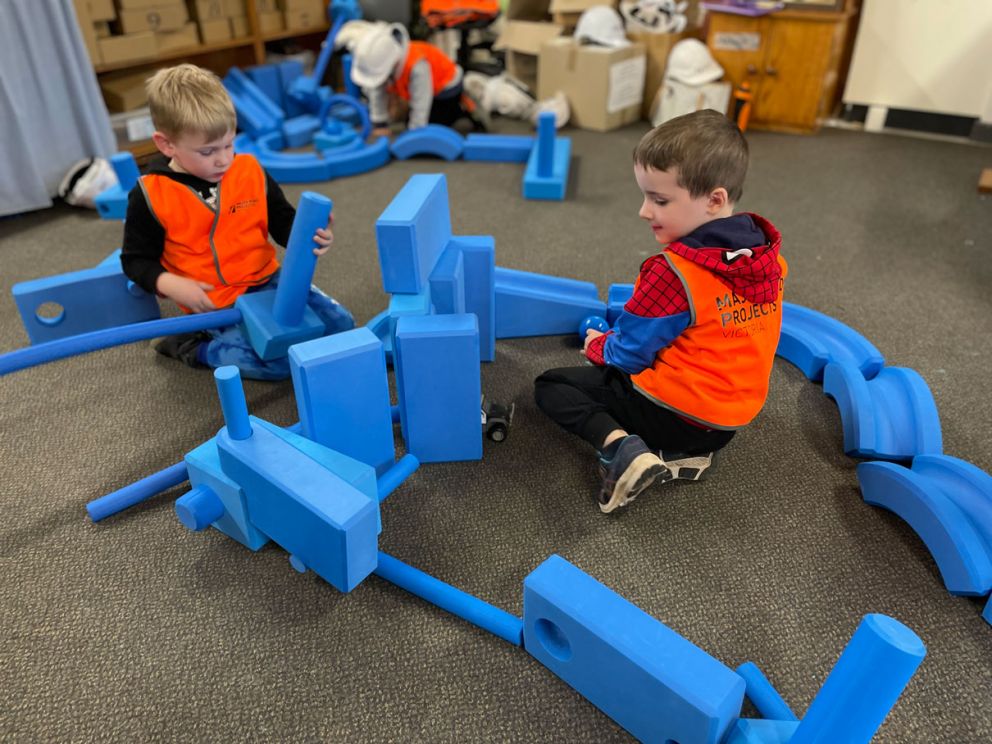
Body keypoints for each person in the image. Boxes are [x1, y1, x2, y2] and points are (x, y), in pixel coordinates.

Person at [534, 109, 787, 514]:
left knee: (552, 385)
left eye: (660, 199)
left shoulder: (673, 273)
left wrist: (599, 345)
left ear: (714, 200)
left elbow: (630, 355)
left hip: (679, 414)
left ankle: (622, 450)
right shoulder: (766, 259)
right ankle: (680, 451)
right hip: (729, 421)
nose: (644, 210)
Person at [120, 64, 354, 380]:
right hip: (214, 303)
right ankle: (191, 346)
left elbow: (283, 223)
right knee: (279, 363)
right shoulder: (150, 194)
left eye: (229, 144)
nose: (223, 159)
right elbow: (135, 260)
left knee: (341, 327)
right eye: (208, 151)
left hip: (268, 280)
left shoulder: (249, 170)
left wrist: (312, 231)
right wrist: (172, 284)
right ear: (166, 144)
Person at [350, 23, 481, 136]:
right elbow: (377, 89)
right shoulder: (383, 62)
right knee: (408, 119)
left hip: (448, 87)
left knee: (434, 124)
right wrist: (380, 123)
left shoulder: (417, 65)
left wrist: (415, 132)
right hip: (426, 86)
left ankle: (462, 108)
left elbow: (422, 99)